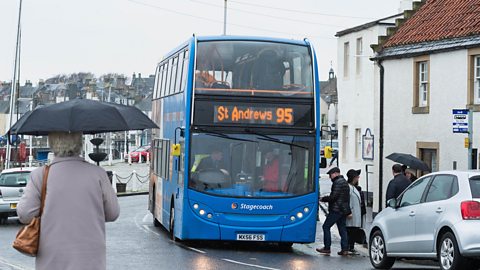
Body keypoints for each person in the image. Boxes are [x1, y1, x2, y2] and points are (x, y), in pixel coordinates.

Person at [16, 132, 120, 270]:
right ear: (79, 144)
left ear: (52, 144)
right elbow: (113, 213)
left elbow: (24, 214)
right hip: (90, 257)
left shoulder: (40, 175)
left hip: (52, 257)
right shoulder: (98, 173)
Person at [316, 167, 351, 256]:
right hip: (343, 210)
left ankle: (327, 247)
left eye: (330, 175)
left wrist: (323, 199)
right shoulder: (344, 182)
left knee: (326, 226)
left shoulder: (337, 182)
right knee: (342, 229)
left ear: (335, 173)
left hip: (336, 209)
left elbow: (333, 197)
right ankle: (345, 249)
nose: (330, 177)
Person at [345, 169, 366, 255]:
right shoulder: (348, 188)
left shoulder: (354, 187)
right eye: (357, 177)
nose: (358, 178)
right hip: (351, 214)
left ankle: (351, 247)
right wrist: (348, 212)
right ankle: (348, 247)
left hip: (355, 214)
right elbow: (346, 201)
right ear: (353, 178)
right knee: (350, 231)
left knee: (353, 231)